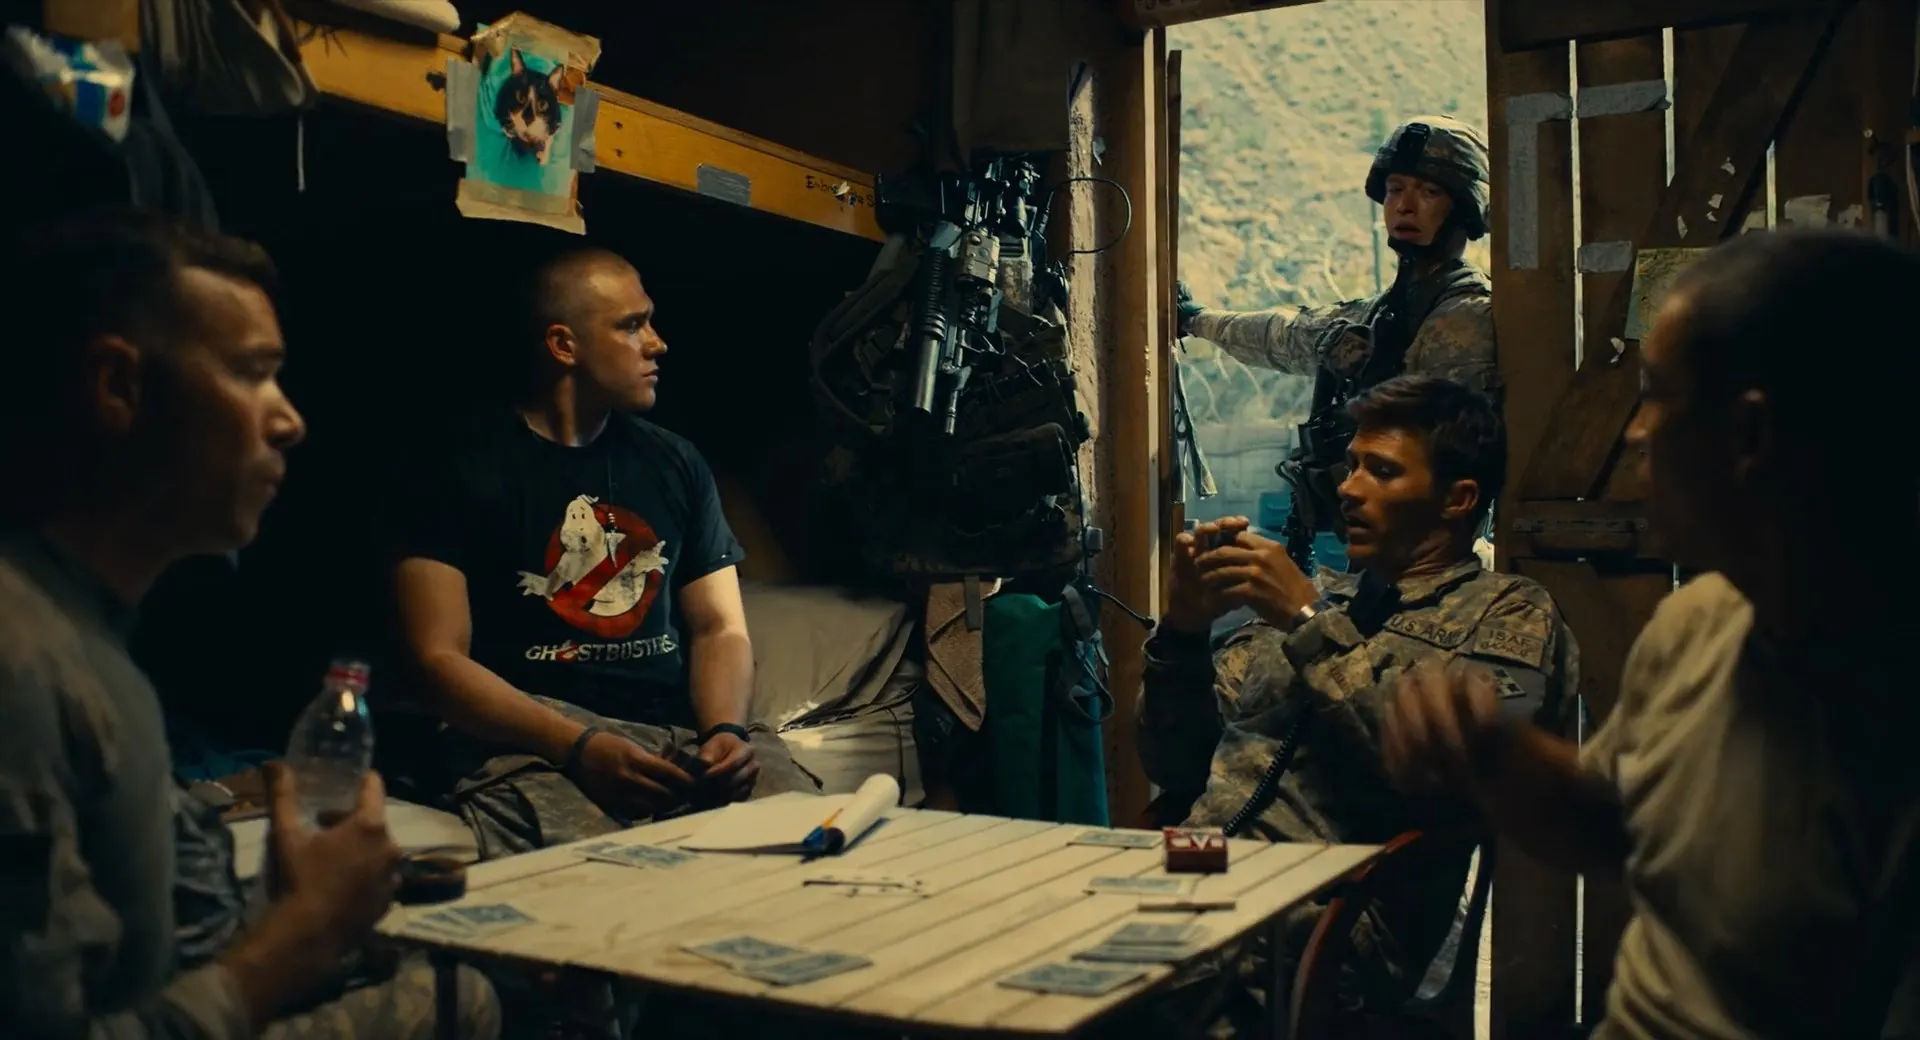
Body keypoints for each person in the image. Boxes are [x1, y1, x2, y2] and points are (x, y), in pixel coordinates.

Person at [1385, 228, 1920, 1039]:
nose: (1635, 433)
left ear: (1749, 436)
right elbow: (1625, 830)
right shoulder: (1699, 624)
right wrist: (1497, 759)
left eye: (1657, 395)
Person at [0, 212, 498, 1039]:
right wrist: (302, 933)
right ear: (118, 386)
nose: (289, 419)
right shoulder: (21, 665)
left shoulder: (80, 628)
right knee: (463, 1003)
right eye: (251, 373)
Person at [1139, 375, 1576, 1023]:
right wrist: (1183, 632)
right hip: (1193, 886)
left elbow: (1457, 774)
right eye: (1352, 466)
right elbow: (1173, 765)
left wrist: (1310, 623)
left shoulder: (1509, 612)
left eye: (1382, 470)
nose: (1348, 487)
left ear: (1457, 499)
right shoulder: (1322, 600)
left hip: (1322, 936)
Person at [394, 245, 819, 859]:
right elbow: (435, 659)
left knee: (814, 838)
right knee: (619, 875)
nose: (657, 344)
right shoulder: (462, 467)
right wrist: (577, 746)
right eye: (631, 325)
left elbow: (720, 627)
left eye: (650, 321)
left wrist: (724, 729)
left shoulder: (675, 462)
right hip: (534, 739)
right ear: (563, 345)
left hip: (671, 731)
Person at [1175, 115, 1497, 572]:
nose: (1405, 207)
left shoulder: (1466, 320)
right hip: (1380, 557)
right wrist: (1196, 319)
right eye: (1395, 189)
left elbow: (1444, 458)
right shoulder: (1387, 311)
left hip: (1430, 562)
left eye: (1428, 193)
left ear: (1464, 208)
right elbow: (1289, 335)